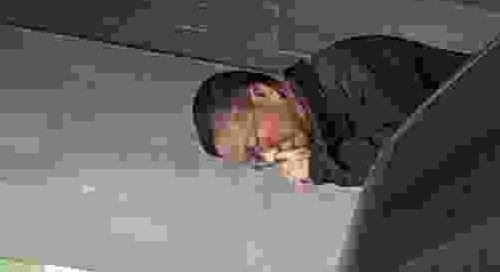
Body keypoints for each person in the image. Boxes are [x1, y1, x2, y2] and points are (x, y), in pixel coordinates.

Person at [194, 35, 470, 189]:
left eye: (256, 145)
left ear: (264, 94)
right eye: (256, 159)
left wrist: (320, 167)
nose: (271, 156)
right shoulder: (325, 132)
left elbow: (417, 149)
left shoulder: (350, 70)